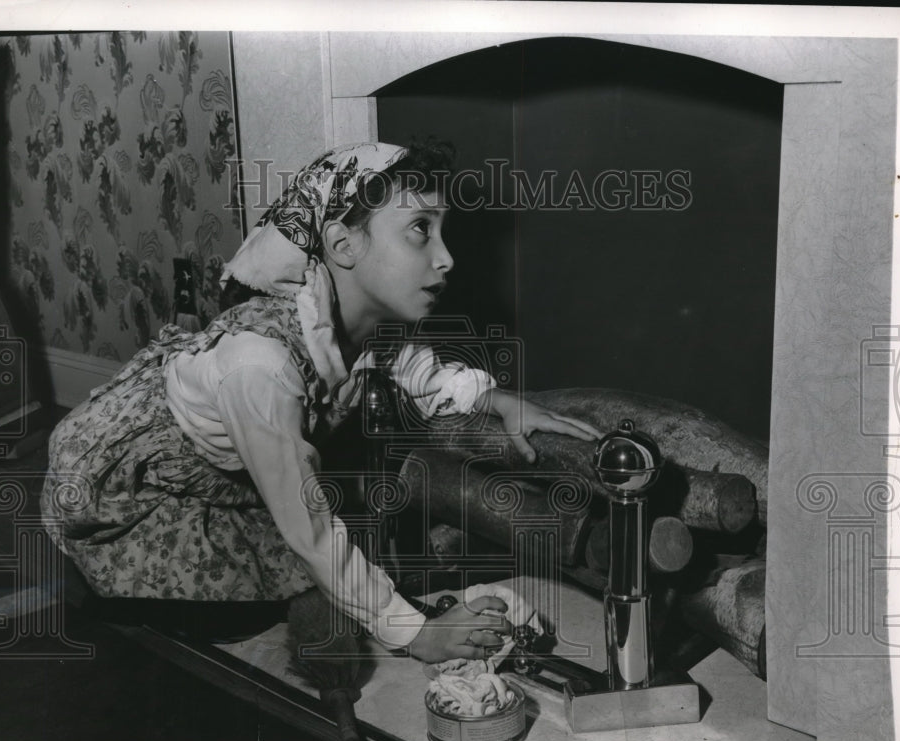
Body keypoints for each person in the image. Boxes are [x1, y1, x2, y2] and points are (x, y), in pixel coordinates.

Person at [41, 140, 602, 663]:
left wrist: (500, 400)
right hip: (134, 484)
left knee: (329, 556)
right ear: (341, 245)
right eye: (419, 231)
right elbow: (309, 527)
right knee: (249, 603)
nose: (447, 257)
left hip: (240, 460)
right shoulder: (260, 366)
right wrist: (413, 631)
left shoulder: (365, 325)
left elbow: (417, 371)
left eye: (443, 231)